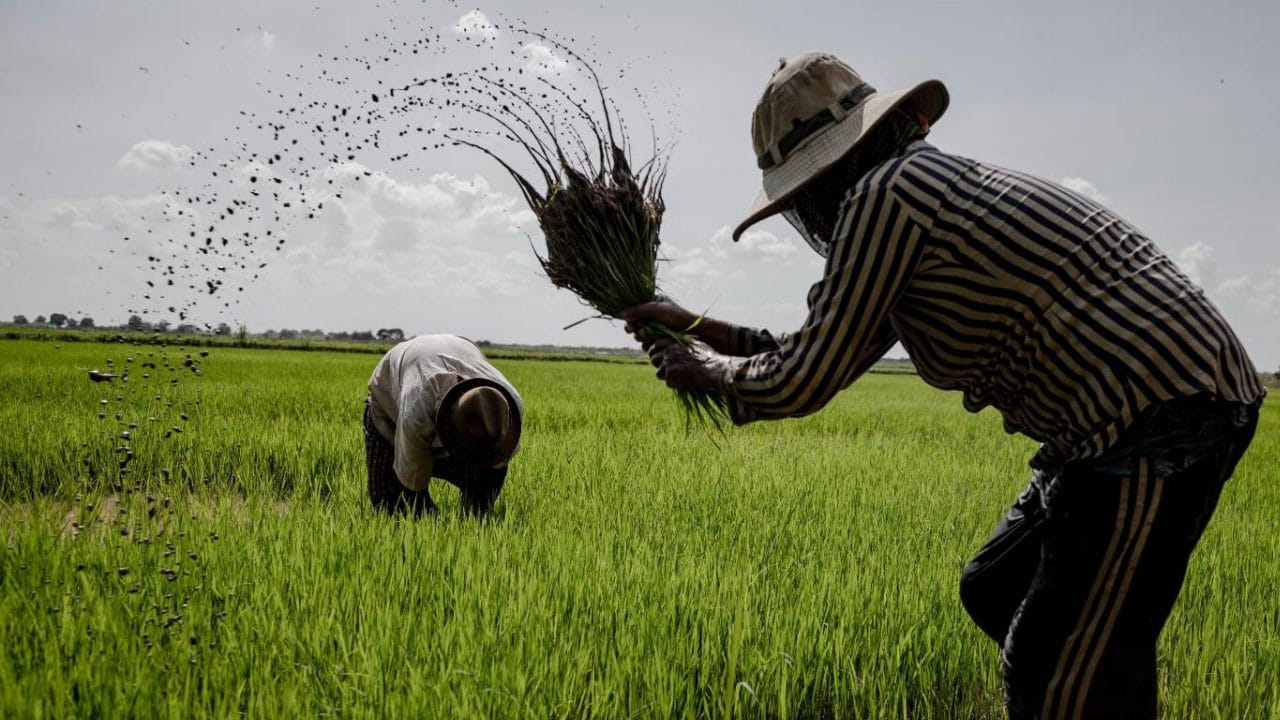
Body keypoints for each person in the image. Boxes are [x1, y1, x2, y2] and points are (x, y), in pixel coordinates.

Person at [623, 52, 1264, 718]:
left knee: (1050, 676)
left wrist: (707, 370)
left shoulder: (890, 196)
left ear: (826, 172)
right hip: (1127, 418)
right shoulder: (919, 194)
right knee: (998, 588)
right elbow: (818, 350)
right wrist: (691, 327)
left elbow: (801, 382)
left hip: (1162, 412)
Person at [364, 334, 523, 517]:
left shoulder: (507, 409)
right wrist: (436, 526)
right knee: (388, 503)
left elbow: (494, 475)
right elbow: (412, 487)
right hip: (389, 407)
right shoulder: (417, 410)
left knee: (480, 498)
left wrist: (476, 516)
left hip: (451, 356)